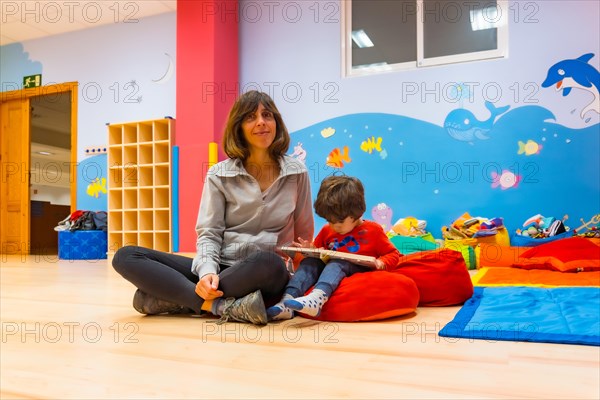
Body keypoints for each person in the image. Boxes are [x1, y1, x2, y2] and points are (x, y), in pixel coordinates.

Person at [112, 90, 314, 325]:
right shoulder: (219, 174)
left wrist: (302, 274)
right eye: (250, 117)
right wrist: (208, 272)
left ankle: (175, 298)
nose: (261, 122)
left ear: (276, 122)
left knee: (268, 261)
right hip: (221, 267)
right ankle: (215, 305)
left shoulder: (297, 172)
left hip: (265, 270)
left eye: (267, 115)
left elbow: (303, 235)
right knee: (126, 256)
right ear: (238, 127)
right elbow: (209, 233)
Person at [267, 175, 401, 320]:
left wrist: (381, 263)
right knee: (310, 263)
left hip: (355, 269)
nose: (334, 226)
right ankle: (287, 301)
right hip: (331, 269)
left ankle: (317, 299)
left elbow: (393, 254)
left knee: (338, 262)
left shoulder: (373, 230)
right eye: (329, 221)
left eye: (340, 222)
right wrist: (310, 250)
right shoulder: (327, 230)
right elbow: (318, 254)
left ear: (357, 213)